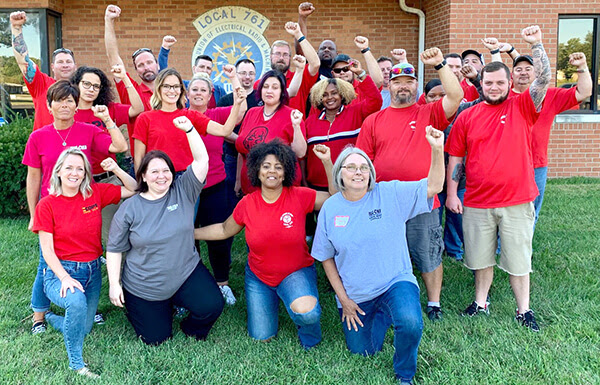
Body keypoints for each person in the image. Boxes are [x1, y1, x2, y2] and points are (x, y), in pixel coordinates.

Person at [312, 126, 445, 385]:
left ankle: (404, 374)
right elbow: (325, 257)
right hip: (357, 295)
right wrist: (344, 300)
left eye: (363, 167)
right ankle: (382, 313)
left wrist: (437, 149)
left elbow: (433, 186)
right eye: (350, 167)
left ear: (371, 173)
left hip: (395, 281)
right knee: (363, 350)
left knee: (410, 322)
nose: (358, 172)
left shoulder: (389, 193)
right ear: (339, 173)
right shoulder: (330, 208)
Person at [445, 26, 554, 331]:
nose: (494, 87)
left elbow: (543, 78)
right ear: (481, 83)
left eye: (499, 82)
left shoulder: (523, 106)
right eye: (488, 82)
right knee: (480, 259)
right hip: (477, 201)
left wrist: (536, 45)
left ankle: (524, 310)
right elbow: (457, 157)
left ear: (510, 84)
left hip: (517, 199)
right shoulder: (468, 115)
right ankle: (481, 303)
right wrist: (453, 194)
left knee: (519, 260)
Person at [356, 48, 463, 322]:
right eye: (397, 81)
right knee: (385, 254)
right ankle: (387, 298)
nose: (403, 86)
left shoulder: (430, 113)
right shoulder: (373, 120)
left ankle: (434, 303)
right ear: (388, 85)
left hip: (422, 197)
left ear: (417, 86)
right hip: (384, 199)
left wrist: (439, 64)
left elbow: (456, 96)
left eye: (409, 81)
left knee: (428, 251)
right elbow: (363, 162)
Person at [194, 140, 334, 349]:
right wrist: (190, 233)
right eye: (266, 166)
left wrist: (327, 163)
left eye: (278, 167)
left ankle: (308, 330)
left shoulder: (299, 195)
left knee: (307, 313)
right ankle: (276, 299)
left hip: (296, 271)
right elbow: (224, 229)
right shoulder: (247, 203)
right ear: (257, 171)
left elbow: (333, 197)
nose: (272, 171)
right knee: (261, 336)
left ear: (285, 173)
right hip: (259, 277)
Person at [107, 115, 224, 345]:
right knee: (156, 339)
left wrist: (190, 129)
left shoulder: (183, 190)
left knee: (212, 306)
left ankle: (188, 324)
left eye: (166, 171)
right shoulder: (130, 208)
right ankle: (149, 309)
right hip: (145, 285)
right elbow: (114, 249)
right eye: (154, 172)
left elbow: (202, 161)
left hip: (185, 273)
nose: (161, 176)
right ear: (143, 176)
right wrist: (113, 284)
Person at [22, 80, 128, 334]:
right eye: (59, 100)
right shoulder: (38, 137)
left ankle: (86, 303)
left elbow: (120, 147)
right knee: (45, 261)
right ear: (49, 106)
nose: (65, 105)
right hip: (52, 207)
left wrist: (108, 120)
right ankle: (39, 315)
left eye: (70, 100)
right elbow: (33, 176)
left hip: (83, 202)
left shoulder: (88, 130)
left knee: (87, 253)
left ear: (76, 105)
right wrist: (33, 211)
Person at [32, 148, 136, 378]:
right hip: (60, 271)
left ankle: (49, 317)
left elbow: (133, 188)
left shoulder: (95, 193)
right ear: (59, 171)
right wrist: (65, 278)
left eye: (80, 169)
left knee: (84, 326)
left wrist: (116, 169)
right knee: (76, 303)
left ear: (86, 173)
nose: (74, 173)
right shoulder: (47, 204)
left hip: (92, 271)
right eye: (69, 167)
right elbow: (47, 251)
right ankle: (77, 364)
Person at [187, 72, 247, 305]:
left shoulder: (216, 115)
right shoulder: (180, 117)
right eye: (195, 89)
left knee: (219, 236)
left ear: (211, 95)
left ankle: (222, 283)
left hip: (215, 185)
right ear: (188, 93)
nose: (199, 93)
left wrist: (234, 79)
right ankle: (190, 283)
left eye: (204, 90)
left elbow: (239, 111)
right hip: (188, 189)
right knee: (186, 239)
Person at [71, 64, 144, 243]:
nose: (91, 89)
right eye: (86, 84)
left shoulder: (106, 109)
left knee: (114, 235)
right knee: (81, 234)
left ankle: (120, 270)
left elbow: (138, 108)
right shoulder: (68, 112)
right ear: (76, 84)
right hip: (77, 182)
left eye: (96, 86)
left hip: (107, 179)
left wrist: (124, 78)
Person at [133, 67, 245, 174]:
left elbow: (224, 131)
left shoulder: (191, 116)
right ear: (158, 89)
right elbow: (139, 157)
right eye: (166, 86)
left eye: (176, 86)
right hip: (158, 179)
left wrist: (237, 104)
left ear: (181, 90)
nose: (172, 90)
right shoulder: (145, 118)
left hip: (186, 179)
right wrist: (141, 184)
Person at [235, 70, 307, 196]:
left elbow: (300, 153)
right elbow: (242, 151)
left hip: (279, 191)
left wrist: (296, 126)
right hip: (249, 189)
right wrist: (238, 181)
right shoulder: (251, 113)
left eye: (275, 87)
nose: (269, 91)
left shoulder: (292, 115)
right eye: (265, 87)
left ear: (282, 92)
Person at [305, 76, 381, 190]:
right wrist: (305, 183)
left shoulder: (356, 113)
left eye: (334, 93)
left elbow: (375, 100)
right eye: (325, 95)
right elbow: (304, 157)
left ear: (342, 94)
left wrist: (362, 74)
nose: (330, 97)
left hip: (348, 185)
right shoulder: (309, 122)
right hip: (317, 187)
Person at [104, 4, 158, 161]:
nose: (146, 67)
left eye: (149, 62)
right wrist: (108, 21)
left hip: (173, 164)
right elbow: (113, 57)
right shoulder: (131, 90)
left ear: (157, 64)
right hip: (143, 164)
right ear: (136, 71)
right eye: (140, 65)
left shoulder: (171, 90)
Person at [10, 11, 77, 130]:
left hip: (74, 146)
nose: (65, 65)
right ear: (52, 66)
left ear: (75, 66)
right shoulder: (41, 83)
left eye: (68, 62)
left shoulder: (83, 88)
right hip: (44, 146)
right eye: (60, 62)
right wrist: (16, 28)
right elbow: (23, 61)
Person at [218, 59, 261, 206]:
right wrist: (242, 141)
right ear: (236, 74)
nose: (247, 77)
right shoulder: (225, 100)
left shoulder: (261, 99)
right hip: (231, 155)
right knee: (232, 195)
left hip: (257, 157)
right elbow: (221, 129)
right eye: (243, 73)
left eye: (251, 73)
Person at [157, 36, 227, 108]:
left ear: (211, 72)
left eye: (208, 68)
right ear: (194, 68)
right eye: (201, 67)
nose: (204, 70)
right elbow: (164, 76)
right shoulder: (183, 86)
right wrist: (165, 49)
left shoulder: (219, 91)